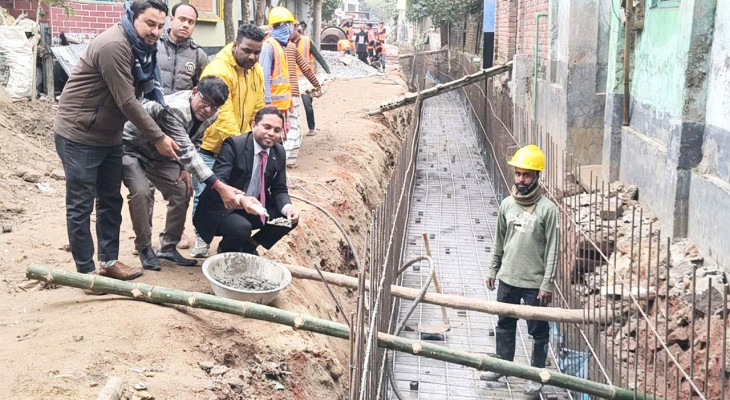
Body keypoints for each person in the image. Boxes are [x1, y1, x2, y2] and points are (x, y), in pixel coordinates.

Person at [53, 0, 178, 281]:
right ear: (133, 18)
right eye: (150, 23)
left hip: (109, 135)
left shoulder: (143, 49)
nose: (156, 31)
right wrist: (158, 138)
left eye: (161, 26)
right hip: (79, 133)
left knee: (110, 199)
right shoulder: (114, 46)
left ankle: (109, 261)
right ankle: (86, 273)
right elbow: (127, 101)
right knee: (81, 204)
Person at [122, 76, 243, 270]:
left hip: (163, 155)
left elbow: (195, 141)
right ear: (194, 92)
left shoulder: (212, 115)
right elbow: (187, 151)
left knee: (182, 190)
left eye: (214, 106)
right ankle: (144, 247)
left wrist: (185, 169)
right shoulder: (176, 109)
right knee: (141, 192)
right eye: (205, 101)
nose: (208, 109)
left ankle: (168, 247)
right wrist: (220, 187)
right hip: (132, 149)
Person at [482, 145, 559, 396]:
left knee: (538, 330)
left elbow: (553, 249)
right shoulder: (507, 205)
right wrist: (493, 269)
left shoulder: (548, 210)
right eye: (518, 174)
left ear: (536, 176)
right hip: (508, 278)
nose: (521, 179)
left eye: (526, 175)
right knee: (505, 323)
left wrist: (547, 283)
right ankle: (503, 367)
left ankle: (536, 376)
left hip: (534, 283)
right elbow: (499, 241)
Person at [190, 24, 266, 258]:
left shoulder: (256, 70)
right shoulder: (219, 70)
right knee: (205, 195)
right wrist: (242, 146)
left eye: (257, 52)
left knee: (235, 194)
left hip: (239, 147)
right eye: (247, 50)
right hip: (212, 147)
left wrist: (256, 139)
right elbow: (222, 115)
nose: (252, 56)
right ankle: (201, 237)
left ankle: (231, 238)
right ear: (235, 46)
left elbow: (258, 109)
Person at [194, 106, 300, 255]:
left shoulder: (279, 151)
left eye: (277, 130)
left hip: (255, 205)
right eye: (267, 127)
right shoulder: (234, 144)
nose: (271, 133)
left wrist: (288, 207)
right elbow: (220, 179)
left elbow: (279, 188)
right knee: (241, 228)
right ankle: (226, 249)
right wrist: (241, 199)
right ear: (254, 125)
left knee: (288, 219)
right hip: (224, 207)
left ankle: (250, 245)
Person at [283, 24, 322, 167]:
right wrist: (317, 85)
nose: (296, 31)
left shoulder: (268, 45)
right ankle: (286, 161)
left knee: (284, 128)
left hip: (278, 94)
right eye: (294, 28)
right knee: (293, 128)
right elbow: (305, 68)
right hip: (289, 92)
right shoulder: (289, 47)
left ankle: (287, 160)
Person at [157, 3, 208, 94]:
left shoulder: (198, 55)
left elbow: (206, 89)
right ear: (172, 20)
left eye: (190, 22)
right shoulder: (154, 46)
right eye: (182, 19)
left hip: (183, 103)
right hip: (154, 102)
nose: (186, 25)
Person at [259, 7, 296, 122]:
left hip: (282, 105)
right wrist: (267, 102)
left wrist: (289, 101)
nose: (291, 29)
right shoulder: (268, 46)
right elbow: (264, 76)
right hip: (272, 107)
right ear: (284, 25)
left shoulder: (280, 46)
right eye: (290, 25)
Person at [296, 21, 330, 137]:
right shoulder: (286, 43)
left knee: (307, 105)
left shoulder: (307, 41)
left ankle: (311, 128)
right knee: (291, 107)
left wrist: (328, 71)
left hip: (306, 80)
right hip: (291, 80)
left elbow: (318, 56)